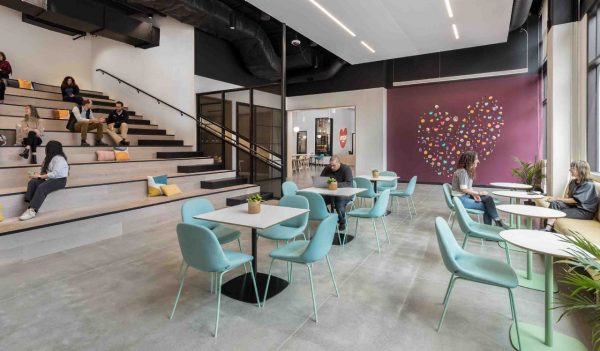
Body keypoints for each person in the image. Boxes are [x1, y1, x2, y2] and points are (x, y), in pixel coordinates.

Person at [451, 150, 509, 228]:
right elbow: (463, 189)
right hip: (460, 199)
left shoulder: (467, 171)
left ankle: (497, 221)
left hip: (465, 196)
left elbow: (469, 188)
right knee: (487, 207)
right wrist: (478, 193)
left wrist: (475, 194)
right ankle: (493, 225)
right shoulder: (462, 172)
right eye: (476, 159)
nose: (478, 161)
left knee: (488, 199)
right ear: (470, 160)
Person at [20, 141, 69, 221]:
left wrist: (40, 176)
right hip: (50, 178)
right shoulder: (48, 158)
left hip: (60, 180)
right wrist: (37, 175)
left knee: (42, 187)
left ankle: (32, 210)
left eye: (47, 147)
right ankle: (31, 205)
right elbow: (46, 172)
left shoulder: (59, 159)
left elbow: (55, 174)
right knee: (33, 182)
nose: (45, 149)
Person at [544, 160, 599, 232]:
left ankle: (548, 228)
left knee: (557, 211)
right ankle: (547, 227)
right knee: (555, 204)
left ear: (581, 170)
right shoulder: (573, 182)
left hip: (584, 211)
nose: (570, 169)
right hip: (574, 206)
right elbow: (569, 199)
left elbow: (575, 200)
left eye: (573, 168)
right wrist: (556, 200)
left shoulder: (588, 185)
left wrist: (556, 198)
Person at [320, 155, 354, 230]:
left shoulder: (346, 169)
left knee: (339, 200)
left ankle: (342, 221)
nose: (331, 167)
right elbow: (321, 179)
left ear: (339, 163)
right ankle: (329, 217)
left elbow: (349, 184)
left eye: (334, 165)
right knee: (319, 199)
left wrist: (335, 184)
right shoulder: (327, 168)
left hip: (345, 193)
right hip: (330, 193)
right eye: (330, 165)